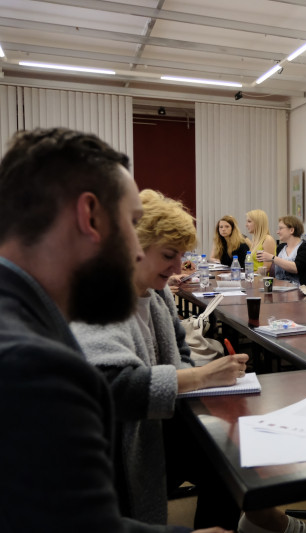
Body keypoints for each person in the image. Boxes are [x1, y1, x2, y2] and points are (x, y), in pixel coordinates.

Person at [0, 127, 228, 532]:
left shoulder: (30, 322)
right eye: (132, 222)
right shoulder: (32, 366)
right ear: (90, 217)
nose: (137, 248)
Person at [71, 189, 250, 528]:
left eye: (181, 255)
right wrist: (202, 376)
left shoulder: (158, 293)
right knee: (222, 452)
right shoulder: (100, 298)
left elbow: (180, 353)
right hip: (115, 447)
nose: (178, 267)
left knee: (228, 452)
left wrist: (198, 377)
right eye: (169, 255)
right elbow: (111, 385)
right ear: (133, 246)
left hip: (158, 423)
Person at [260, 215, 306, 288]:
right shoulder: (281, 247)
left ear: (291, 230)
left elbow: (296, 268)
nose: (277, 232)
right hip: (279, 289)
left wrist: (273, 258)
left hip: (300, 291)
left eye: (281, 228)